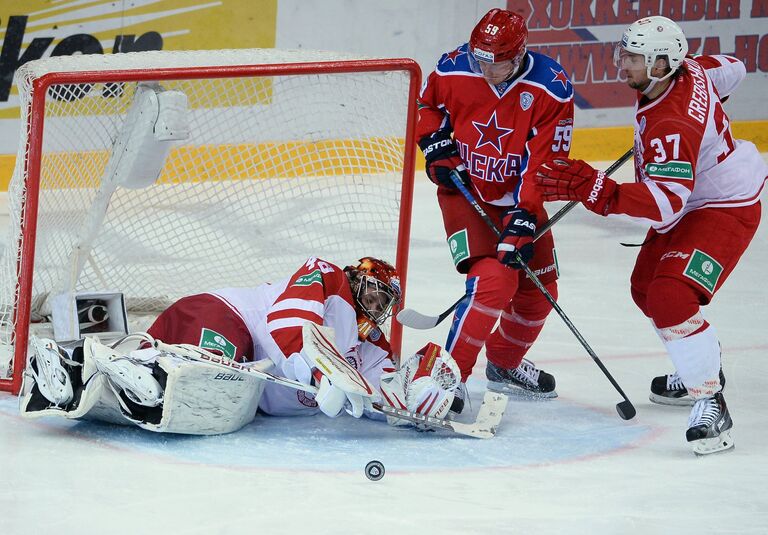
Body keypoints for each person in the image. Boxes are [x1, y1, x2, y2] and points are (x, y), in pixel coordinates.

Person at [535, 16, 767, 455]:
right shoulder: (692, 70)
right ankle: (701, 362)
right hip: (698, 194)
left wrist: (597, 189)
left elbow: (666, 206)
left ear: (662, 64)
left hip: (725, 206)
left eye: (634, 58)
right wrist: (709, 124)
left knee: (669, 296)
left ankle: (709, 400)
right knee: (644, 289)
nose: (623, 63)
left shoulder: (672, 124)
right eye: (625, 53)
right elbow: (733, 68)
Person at [20, 257, 460, 434]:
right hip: (220, 317)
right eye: (373, 291)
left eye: (384, 303)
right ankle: (145, 364)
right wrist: (323, 371)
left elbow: (382, 397)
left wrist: (421, 396)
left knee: (194, 406)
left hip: (241, 382)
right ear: (356, 278)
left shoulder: (370, 349)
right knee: (216, 371)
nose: (375, 305)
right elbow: (290, 321)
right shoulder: (329, 279)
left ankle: (79, 371)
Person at [416, 8, 574, 412]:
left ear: (519, 55)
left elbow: (545, 163)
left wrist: (524, 215)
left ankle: (503, 363)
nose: (484, 69)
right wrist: (433, 141)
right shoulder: (453, 67)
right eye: (478, 59)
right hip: (466, 192)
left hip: (523, 197)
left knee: (539, 295)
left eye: (496, 62)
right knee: (494, 282)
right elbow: (426, 107)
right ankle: (447, 378)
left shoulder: (551, 88)